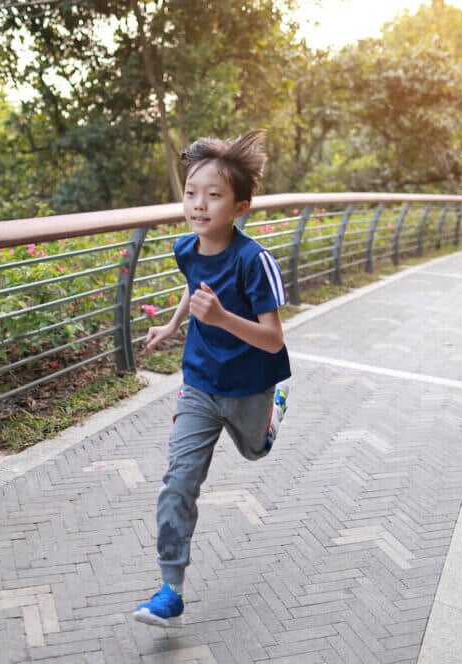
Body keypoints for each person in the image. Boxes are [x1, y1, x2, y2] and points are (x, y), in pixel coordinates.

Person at [133, 129, 292, 627]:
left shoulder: (254, 261)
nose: (198, 204)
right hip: (200, 381)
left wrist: (222, 318)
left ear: (241, 207)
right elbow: (195, 288)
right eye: (190, 192)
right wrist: (175, 323)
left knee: (254, 452)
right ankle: (170, 589)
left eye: (214, 195)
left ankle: (270, 420)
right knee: (178, 480)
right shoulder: (187, 248)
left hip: (251, 383)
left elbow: (273, 340)